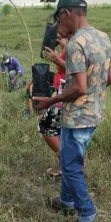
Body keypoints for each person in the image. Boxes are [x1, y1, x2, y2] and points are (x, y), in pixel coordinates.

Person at [34, 0, 111, 222]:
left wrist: (51, 100)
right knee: (70, 158)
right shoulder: (103, 38)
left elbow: (79, 87)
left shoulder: (76, 44)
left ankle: (87, 214)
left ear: (67, 14)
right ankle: (66, 201)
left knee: (70, 167)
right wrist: (93, 92)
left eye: (59, 19)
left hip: (77, 117)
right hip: (96, 113)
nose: (59, 25)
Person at [38, 30, 69, 177]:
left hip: (65, 94)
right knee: (61, 130)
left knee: (45, 126)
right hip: (60, 92)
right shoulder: (69, 45)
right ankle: (67, 163)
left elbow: (74, 69)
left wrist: (58, 57)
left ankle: (65, 163)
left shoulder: (74, 46)